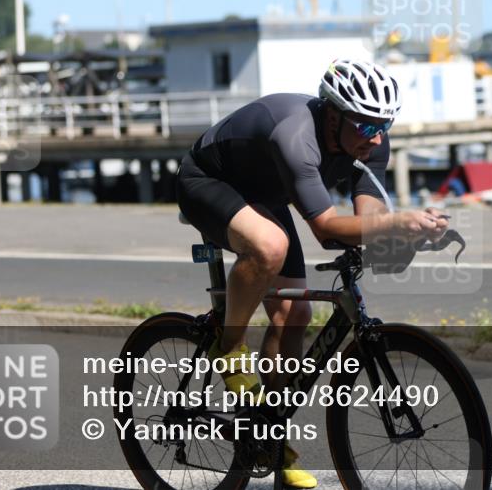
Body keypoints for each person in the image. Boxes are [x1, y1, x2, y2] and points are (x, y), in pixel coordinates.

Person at [176, 59, 449, 488]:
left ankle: (268, 438)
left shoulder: (372, 141)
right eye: (364, 126)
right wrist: (397, 223)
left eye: (383, 125)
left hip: (266, 195)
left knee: (293, 316)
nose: (375, 137)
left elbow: (368, 218)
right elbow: (325, 229)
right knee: (269, 247)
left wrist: (410, 234)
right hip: (209, 181)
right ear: (334, 114)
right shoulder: (296, 136)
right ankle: (228, 344)